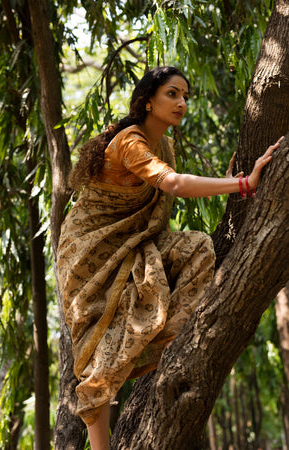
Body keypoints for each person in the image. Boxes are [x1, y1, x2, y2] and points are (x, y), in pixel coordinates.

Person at [57, 66, 283, 450]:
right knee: (99, 344)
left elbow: (162, 202)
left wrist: (224, 183)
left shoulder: (165, 148)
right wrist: (242, 183)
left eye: (186, 96)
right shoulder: (130, 141)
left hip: (133, 245)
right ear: (148, 100)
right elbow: (173, 184)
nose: (182, 103)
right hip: (91, 253)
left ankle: (160, 344)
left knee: (197, 248)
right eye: (172, 94)